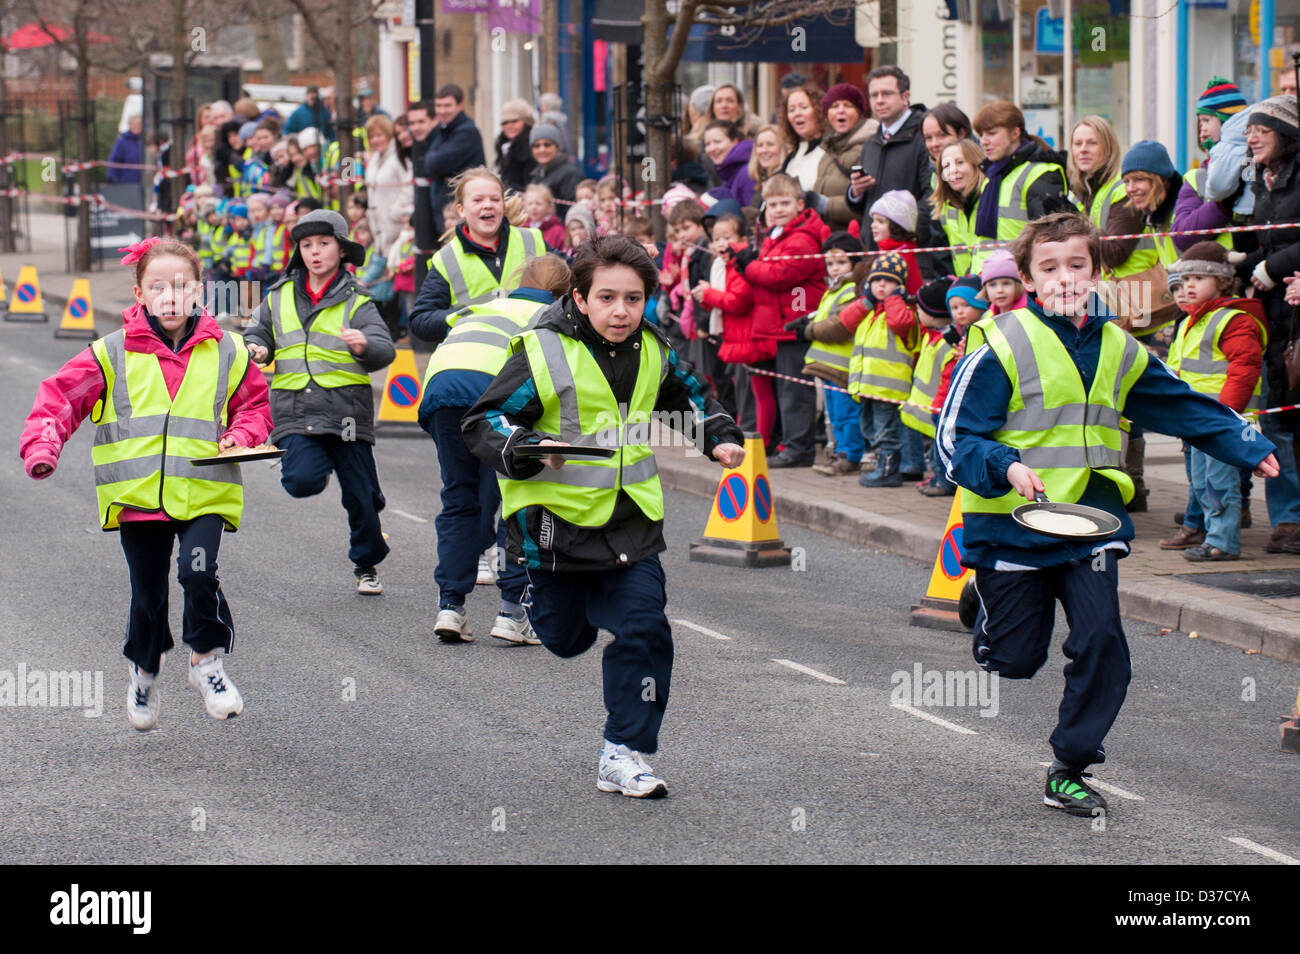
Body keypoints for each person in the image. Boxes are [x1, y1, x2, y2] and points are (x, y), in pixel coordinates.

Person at [937, 211, 1279, 818]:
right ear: (1027, 278)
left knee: (1103, 642)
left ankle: (1069, 766)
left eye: (1077, 265)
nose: (1065, 278)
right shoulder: (1001, 343)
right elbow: (955, 438)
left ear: (1097, 273)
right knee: (1015, 660)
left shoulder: (1120, 346)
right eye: (1049, 268)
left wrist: (1247, 448)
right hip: (1012, 522)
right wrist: (1006, 465)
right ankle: (980, 602)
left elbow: (1180, 404)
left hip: (1090, 521)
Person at [462, 235, 746, 798]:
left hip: (629, 521)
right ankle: (537, 596)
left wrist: (718, 437)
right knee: (566, 640)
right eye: (608, 298)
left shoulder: (654, 349)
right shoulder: (541, 349)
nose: (622, 312)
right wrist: (524, 446)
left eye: (634, 299)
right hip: (553, 527)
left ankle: (625, 752)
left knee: (644, 628)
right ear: (581, 298)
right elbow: (484, 422)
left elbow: (689, 396)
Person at [19, 238, 271, 728]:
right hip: (138, 498)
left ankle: (207, 662)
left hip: (205, 491)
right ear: (140, 293)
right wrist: (43, 446)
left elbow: (255, 408)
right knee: (149, 594)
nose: (170, 295)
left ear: (198, 291)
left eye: (181, 285)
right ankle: (144, 671)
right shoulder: (110, 353)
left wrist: (241, 433)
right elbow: (60, 399)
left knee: (198, 574)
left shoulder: (230, 351)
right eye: (158, 286)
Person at [419, 255, 572, 644]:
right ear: (562, 293)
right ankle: (511, 611)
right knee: (515, 498)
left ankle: (450, 607)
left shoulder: (483, 305)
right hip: (494, 393)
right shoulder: (554, 317)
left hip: (442, 388)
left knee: (459, 499)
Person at [242, 210, 397, 594]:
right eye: (307, 245)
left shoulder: (359, 301)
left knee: (361, 498)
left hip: (347, 414)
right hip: (295, 411)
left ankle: (366, 562)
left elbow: (384, 347)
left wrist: (365, 345)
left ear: (341, 250)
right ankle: (322, 465)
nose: (314, 252)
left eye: (324, 244)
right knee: (300, 482)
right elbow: (258, 329)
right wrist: (257, 347)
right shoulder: (277, 296)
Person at [1163, 242, 1268, 561]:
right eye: (1185, 280)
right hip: (1198, 420)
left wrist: (1227, 414)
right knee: (1202, 482)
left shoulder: (1233, 320)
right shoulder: (1193, 322)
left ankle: (1223, 542)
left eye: (1199, 278)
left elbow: (1244, 368)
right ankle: (1212, 535)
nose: (1189, 285)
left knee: (1219, 483)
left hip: (1221, 420)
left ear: (1222, 281)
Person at [731, 173, 831, 467]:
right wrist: (752, 263)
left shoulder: (800, 238)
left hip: (794, 325)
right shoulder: (778, 235)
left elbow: (779, 276)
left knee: (795, 389)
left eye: (784, 203)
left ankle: (799, 448)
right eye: (772, 204)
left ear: (800, 204)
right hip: (781, 325)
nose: (777, 209)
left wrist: (749, 266)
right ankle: (789, 443)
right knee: (785, 388)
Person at [1238, 95, 1300, 555]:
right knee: (1277, 418)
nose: (1252, 137)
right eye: (1248, 131)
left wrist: (1273, 267)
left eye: (1262, 129)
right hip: (1275, 314)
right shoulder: (1262, 179)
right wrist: (1242, 263)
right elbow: (1268, 240)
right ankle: (1286, 519)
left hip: (1295, 306)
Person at [409, 168, 544, 342]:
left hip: (530, 358)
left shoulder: (532, 240)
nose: (487, 205)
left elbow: (571, 285)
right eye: (478, 200)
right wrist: (465, 318)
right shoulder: (447, 259)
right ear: (461, 210)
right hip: (477, 361)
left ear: (502, 205)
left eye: (495, 199)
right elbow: (420, 320)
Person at [785, 231, 869, 475]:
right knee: (834, 415)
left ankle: (850, 456)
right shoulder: (833, 289)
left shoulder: (851, 289)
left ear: (855, 262)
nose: (834, 268)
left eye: (841, 262)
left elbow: (838, 326)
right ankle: (840, 453)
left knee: (846, 414)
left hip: (842, 366)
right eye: (830, 263)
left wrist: (808, 331)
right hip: (829, 367)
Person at [837, 251, 921, 487]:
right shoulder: (870, 312)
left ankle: (888, 471)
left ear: (900, 286)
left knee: (886, 432)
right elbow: (846, 320)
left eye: (890, 281)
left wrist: (894, 298)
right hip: (867, 386)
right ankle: (882, 465)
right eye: (876, 280)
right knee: (871, 429)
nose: (882, 285)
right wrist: (866, 300)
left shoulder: (903, 311)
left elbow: (900, 323)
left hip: (888, 388)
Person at [694, 212, 776, 445]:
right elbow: (722, 302)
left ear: (741, 237)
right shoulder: (721, 265)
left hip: (750, 336)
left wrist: (709, 294)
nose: (720, 243)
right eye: (716, 238)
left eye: (726, 237)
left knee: (756, 392)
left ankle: (760, 441)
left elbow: (739, 301)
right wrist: (705, 297)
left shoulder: (740, 263)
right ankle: (750, 434)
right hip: (735, 336)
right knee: (743, 388)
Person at [846, 67, 934, 267]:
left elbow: (932, 197)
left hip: (909, 255)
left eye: (886, 93)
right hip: (874, 253)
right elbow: (866, 205)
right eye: (874, 95)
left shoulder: (924, 137)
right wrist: (855, 193)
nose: (879, 100)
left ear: (905, 97)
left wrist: (901, 234)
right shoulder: (871, 144)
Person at [970, 101, 1069, 244]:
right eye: (981, 134)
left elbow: (1049, 239)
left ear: (1015, 133)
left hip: (1018, 266)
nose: (984, 141)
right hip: (987, 266)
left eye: (991, 133)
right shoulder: (992, 174)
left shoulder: (1040, 173)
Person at [1172, 78, 1249, 253]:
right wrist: (1222, 205)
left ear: (1229, 122)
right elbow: (1181, 237)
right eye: (1200, 122)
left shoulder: (1254, 163)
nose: (1202, 130)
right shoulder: (1197, 177)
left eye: (1207, 121)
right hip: (1215, 271)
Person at [903, 277, 960, 495]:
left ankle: (944, 482)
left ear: (934, 312)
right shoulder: (932, 335)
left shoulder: (948, 343)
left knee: (941, 448)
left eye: (920, 308)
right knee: (934, 449)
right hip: (930, 405)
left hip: (939, 405)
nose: (916, 312)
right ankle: (936, 477)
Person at [805, 83, 877, 232]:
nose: (841, 110)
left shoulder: (869, 147)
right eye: (835, 106)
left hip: (855, 240)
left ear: (859, 112)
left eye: (848, 105)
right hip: (829, 238)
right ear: (827, 114)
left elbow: (871, 202)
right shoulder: (828, 150)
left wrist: (826, 205)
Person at [424, 86, 487, 237]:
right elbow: (429, 161)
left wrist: (433, 159)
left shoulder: (466, 132)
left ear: (460, 105)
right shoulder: (444, 130)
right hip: (445, 208)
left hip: (460, 209)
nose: (442, 110)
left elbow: (434, 163)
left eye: (447, 105)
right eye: (439, 106)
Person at [931, 138, 993, 277]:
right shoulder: (950, 207)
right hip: (969, 286)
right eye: (946, 166)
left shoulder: (991, 197)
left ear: (976, 164)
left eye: (960, 163)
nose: (952, 171)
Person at [364, 114, 414, 256]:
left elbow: (409, 187)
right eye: (371, 137)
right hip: (378, 229)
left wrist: (396, 213)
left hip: (397, 225)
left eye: (379, 135)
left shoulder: (399, 156)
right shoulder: (374, 159)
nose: (375, 140)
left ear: (388, 134)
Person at [868, 190, 923, 294]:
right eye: (873, 220)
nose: (873, 225)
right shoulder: (886, 250)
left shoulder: (902, 256)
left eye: (880, 221)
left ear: (897, 226)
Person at [778, 81, 826, 191]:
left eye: (804, 107)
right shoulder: (792, 157)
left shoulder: (830, 151)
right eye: (791, 110)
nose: (797, 113)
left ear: (818, 111)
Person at [702, 120, 756, 208]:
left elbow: (752, 212)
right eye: (707, 144)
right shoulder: (730, 171)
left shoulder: (747, 173)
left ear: (735, 141)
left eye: (717, 142)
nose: (712, 148)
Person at [528, 122, 584, 206]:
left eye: (547, 145)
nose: (542, 149)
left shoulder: (570, 174)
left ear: (557, 147)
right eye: (537, 146)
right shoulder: (537, 174)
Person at [495, 98, 538, 194]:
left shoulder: (533, 147)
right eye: (505, 122)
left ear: (526, 122)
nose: (509, 125)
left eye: (514, 121)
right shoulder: (504, 146)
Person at [747, 123, 789, 220]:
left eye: (770, 144)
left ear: (783, 148)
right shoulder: (763, 180)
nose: (764, 150)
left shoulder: (785, 182)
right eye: (760, 145)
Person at [523, 183, 566, 251]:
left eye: (539, 204)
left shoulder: (558, 231)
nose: (534, 207)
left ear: (549, 207)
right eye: (530, 204)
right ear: (524, 206)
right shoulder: (522, 228)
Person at [107, 114, 145, 185]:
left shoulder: (147, 140)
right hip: (128, 182)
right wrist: (113, 179)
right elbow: (114, 160)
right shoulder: (122, 141)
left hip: (146, 182)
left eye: (139, 123)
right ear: (129, 125)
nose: (137, 126)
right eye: (134, 124)